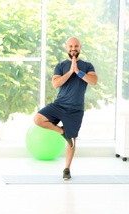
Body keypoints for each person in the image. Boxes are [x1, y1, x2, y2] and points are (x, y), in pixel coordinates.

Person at [33, 37, 98, 180]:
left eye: (76, 46)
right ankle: (62, 131)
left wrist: (79, 72)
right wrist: (70, 71)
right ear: (66, 48)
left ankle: (67, 169)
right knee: (38, 119)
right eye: (70, 46)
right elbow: (56, 84)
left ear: (80, 47)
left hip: (76, 109)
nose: (73, 49)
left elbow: (93, 81)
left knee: (72, 140)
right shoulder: (61, 66)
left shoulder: (87, 66)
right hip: (59, 105)